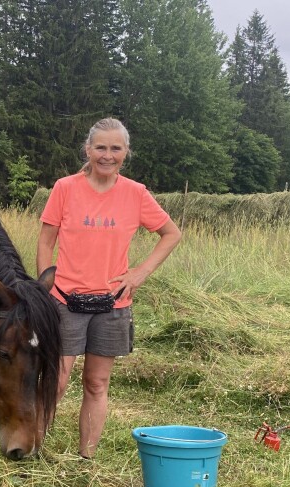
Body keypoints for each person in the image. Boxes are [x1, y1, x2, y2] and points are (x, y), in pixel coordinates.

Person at [37, 118, 182, 459]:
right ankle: (31, 450)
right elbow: (46, 239)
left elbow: (171, 234)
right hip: (66, 301)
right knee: (55, 382)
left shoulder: (136, 194)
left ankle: (85, 458)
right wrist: (44, 284)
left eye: (115, 148)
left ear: (125, 152)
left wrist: (138, 274)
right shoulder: (65, 188)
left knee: (97, 383)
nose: (107, 155)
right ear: (88, 150)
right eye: (100, 147)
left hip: (112, 305)